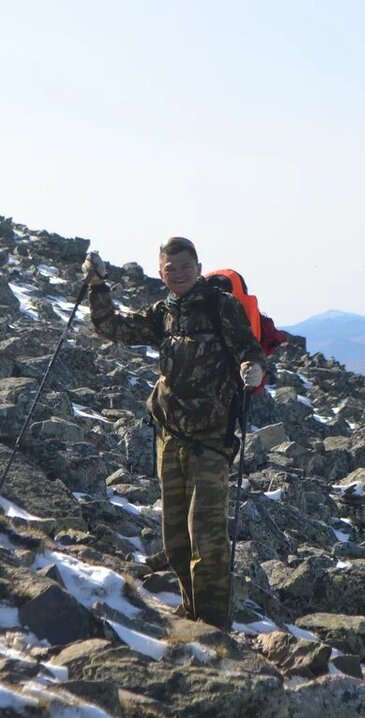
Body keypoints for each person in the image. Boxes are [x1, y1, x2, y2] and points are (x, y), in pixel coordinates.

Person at [82, 237, 268, 629]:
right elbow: (111, 326)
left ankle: (214, 628)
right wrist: (97, 287)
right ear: (161, 272)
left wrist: (253, 369)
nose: (178, 274)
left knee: (209, 539)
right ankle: (191, 609)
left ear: (199, 268)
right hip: (169, 434)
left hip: (211, 439)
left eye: (185, 266)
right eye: (170, 268)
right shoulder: (162, 314)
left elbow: (250, 350)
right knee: (176, 539)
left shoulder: (222, 308)